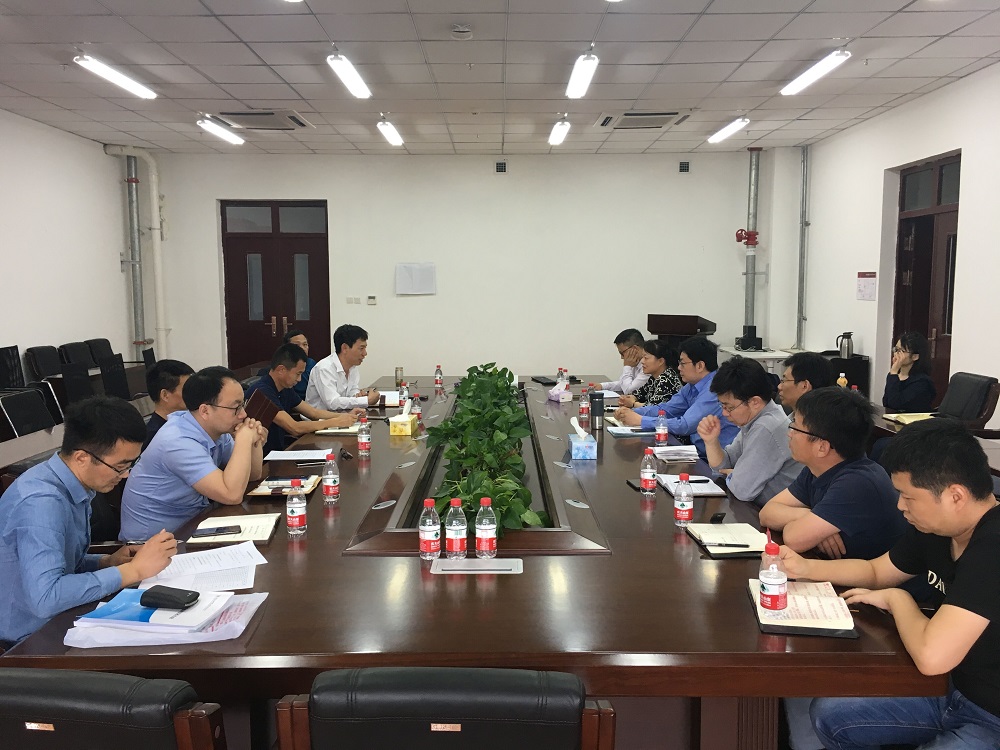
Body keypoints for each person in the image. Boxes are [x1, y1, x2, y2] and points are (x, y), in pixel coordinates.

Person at [781, 420, 1000, 750]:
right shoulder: (938, 529)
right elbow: (875, 571)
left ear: (955, 496)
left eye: (908, 497)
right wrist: (806, 567)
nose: (900, 506)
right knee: (832, 716)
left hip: (991, 713)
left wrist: (899, 600)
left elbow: (932, 656)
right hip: (950, 689)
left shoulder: (993, 547)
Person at [0, 397, 176, 647]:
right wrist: (132, 571)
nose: (126, 474)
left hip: (58, 618)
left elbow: (63, 565)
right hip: (27, 640)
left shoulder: (69, 483)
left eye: (131, 464)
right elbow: (46, 598)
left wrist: (106, 562)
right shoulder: (41, 503)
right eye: (120, 466)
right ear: (82, 457)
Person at [119, 366, 267, 541]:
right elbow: (231, 495)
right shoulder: (177, 441)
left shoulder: (216, 429)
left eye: (243, 404)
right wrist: (243, 440)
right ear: (205, 411)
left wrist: (253, 441)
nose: (243, 414)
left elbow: (253, 475)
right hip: (150, 543)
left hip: (190, 526)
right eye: (235, 407)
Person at [759, 387, 907, 560]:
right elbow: (767, 513)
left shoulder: (857, 483)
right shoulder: (818, 468)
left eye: (795, 428)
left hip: (867, 576)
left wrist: (808, 523)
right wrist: (807, 516)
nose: (789, 434)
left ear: (822, 447)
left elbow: (794, 539)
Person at [697, 356, 801, 508]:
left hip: (768, 514)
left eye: (729, 407)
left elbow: (742, 490)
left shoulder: (767, 427)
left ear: (755, 402)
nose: (724, 413)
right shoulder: (755, 419)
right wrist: (711, 442)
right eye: (722, 406)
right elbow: (724, 466)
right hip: (754, 508)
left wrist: (734, 474)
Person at [614, 336, 738, 457]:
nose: (678, 368)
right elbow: (666, 409)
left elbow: (685, 425)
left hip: (716, 460)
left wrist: (641, 420)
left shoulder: (714, 389)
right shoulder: (691, 386)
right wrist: (631, 412)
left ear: (700, 366)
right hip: (697, 452)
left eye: (683, 363)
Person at [246, 343, 362, 455]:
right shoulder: (263, 391)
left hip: (278, 451)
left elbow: (313, 413)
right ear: (281, 370)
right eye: (298, 374)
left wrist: (344, 416)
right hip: (262, 457)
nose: (300, 379)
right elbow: (294, 427)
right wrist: (334, 422)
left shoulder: (285, 388)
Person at [305, 324, 381, 411]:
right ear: (344, 348)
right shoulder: (324, 368)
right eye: (361, 348)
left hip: (341, 415)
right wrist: (366, 400)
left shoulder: (352, 367)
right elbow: (332, 403)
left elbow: (352, 391)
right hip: (319, 418)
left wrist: (358, 395)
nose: (365, 353)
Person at [143, 358, 195, 450]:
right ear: (165, 395)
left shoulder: (188, 423)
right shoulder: (154, 437)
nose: (192, 393)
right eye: (186, 389)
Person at [616, 339, 682, 409]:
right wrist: (627, 398)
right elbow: (639, 393)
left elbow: (654, 408)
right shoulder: (653, 378)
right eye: (642, 357)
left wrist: (633, 404)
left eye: (646, 358)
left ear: (660, 361)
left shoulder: (666, 380)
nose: (642, 361)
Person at [883, 330, 936, 413]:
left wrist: (893, 372)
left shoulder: (922, 382)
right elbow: (886, 403)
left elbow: (895, 404)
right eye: (896, 349)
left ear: (915, 356)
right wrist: (893, 373)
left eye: (901, 351)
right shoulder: (895, 376)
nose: (896, 354)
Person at [599, 328, 650, 396]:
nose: (622, 357)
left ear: (634, 349)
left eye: (622, 353)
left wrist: (627, 366)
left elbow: (629, 391)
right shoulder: (635, 362)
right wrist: (602, 386)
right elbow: (624, 383)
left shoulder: (648, 365)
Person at [284, 329, 315, 401]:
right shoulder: (282, 368)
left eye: (305, 344)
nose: (302, 348)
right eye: (297, 345)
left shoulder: (312, 364)